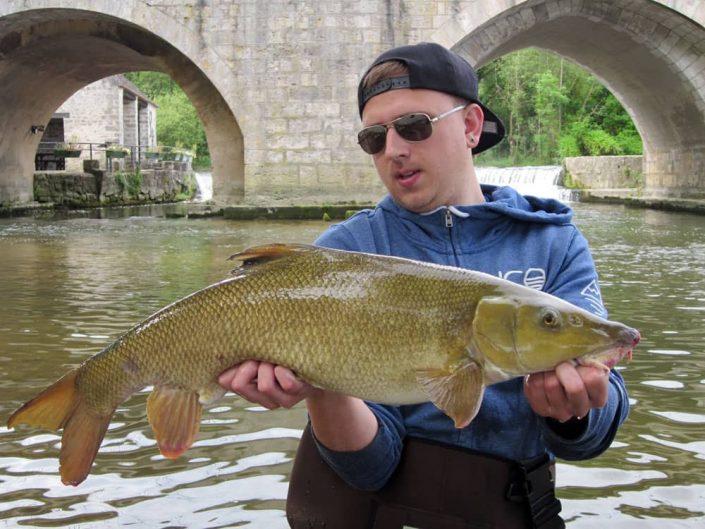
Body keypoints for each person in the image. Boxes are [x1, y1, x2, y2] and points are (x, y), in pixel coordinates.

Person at [218, 42, 629, 528]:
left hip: (516, 511)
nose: (394, 149)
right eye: (374, 138)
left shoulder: (553, 243)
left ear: (471, 126)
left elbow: (595, 431)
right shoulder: (345, 251)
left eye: (415, 126)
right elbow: (371, 468)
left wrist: (572, 414)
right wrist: (321, 387)